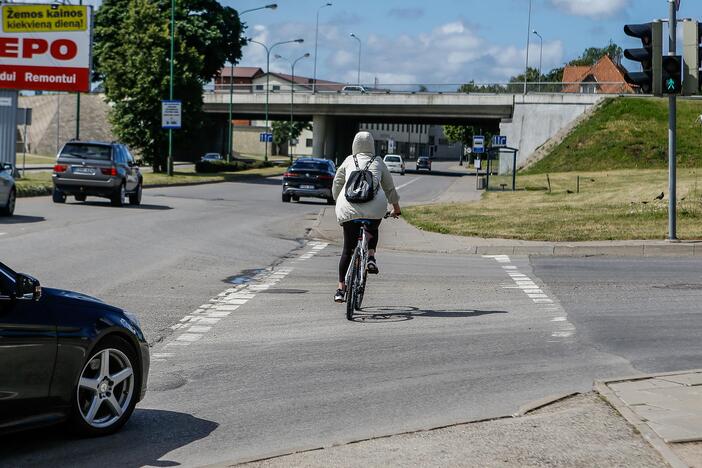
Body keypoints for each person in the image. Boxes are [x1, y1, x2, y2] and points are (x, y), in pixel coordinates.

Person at [332, 131, 401, 303]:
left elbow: (337, 183)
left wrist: (337, 199)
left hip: (348, 207)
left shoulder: (349, 160)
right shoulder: (378, 162)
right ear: (372, 145)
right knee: (372, 226)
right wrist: (396, 209)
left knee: (347, 249)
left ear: (355, 145)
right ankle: (370, 256)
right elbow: (390, 189)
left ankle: (341, 289)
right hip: (375, 207)